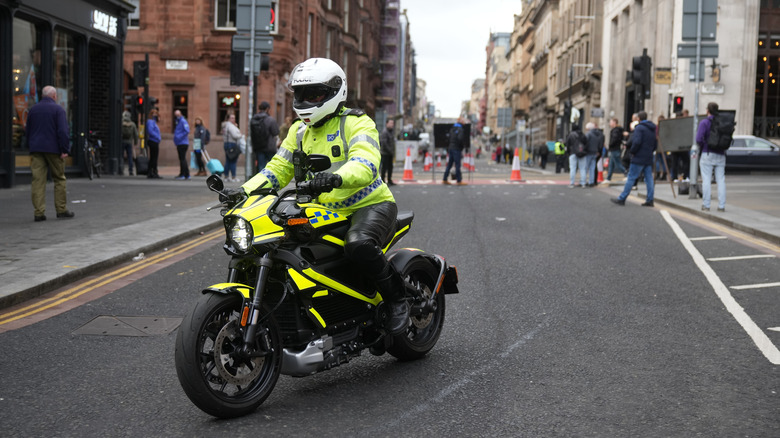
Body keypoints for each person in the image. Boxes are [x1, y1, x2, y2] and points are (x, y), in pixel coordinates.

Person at [221, 58, 411, 334]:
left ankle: (397, 300)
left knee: (357, 244)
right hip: (323, 209)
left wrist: (336, 177)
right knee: (283, 244)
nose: (306, 99)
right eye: (301, 94)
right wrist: (244, 191)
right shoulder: (299, 131)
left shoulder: (357, 123)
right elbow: (278, 169)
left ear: (336, 92)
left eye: (315, 94)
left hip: (369, 205)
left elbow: (366, 163)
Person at [26, 85, 74, 221]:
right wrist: (65, 149)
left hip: (36, 149)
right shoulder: (58, 110)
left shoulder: (33, 110)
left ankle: (39, 212)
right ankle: (61, 209)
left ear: (42, 96)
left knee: (37, 181)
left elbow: (28, 130)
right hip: (54, 150)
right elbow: (63, 132)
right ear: (54, 96)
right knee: (59, 178)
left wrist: (31, 145)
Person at [611, 111, 657, 207]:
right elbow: (655, 143)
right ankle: (650, 199)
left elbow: (636, 142)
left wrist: (632, 151)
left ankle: (622, 198)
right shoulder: (653, 128)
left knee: (631, 177)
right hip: (648, 156)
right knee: (649, 179)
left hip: (639, 157)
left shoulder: (639, 128)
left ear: (638, 119)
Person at [696, 102, 726, 212]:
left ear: (707, 110)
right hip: (721, 154)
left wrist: (704, 145)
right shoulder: (722, 122)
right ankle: (721, 206)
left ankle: (706, 205)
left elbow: (699, 139)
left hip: (707, 153)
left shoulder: (704, 122)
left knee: (706, 180)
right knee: (721, 180)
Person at [250, 101, 280, 174]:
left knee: (261, 166)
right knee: (273, 166)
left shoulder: (254, 119)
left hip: (259, 147)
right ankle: (271, 181)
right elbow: (276, 132)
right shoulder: (270, 119)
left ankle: (262, 183)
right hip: (269, 147)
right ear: (267, 109)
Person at [443, 118, 467, 185]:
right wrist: (462, 147)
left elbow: (449, 138)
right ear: (461, 122)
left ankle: (444, 179)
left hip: (451, 147)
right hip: (456, 148)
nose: (464, 123)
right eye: (464, 121)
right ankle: (459, 180)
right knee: (457, 165)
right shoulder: (460, 129)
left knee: (449, 165)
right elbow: (460, 139)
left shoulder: (452, 129)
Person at [222, 113, 243, 182]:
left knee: (228, 161)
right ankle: (233, 177)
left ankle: (226, 176)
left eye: (234, 118)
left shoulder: (226, 125)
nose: (233, 119)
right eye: (232, 118)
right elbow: (235, 135)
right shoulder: (230, 126)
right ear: (228, 118)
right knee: (233, 161)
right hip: (231, 144)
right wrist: (240, 135)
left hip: (227, 144)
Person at [605, 117, 626, 182]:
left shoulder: (615, 130)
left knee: (618, 164)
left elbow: (615, 139)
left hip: (614, 149)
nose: (609, 123)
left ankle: (627, 174)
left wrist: (610, 145)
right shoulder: (617, 130)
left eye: (610, 122)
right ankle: (608, 178)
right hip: (614, 149)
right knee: (611, 164)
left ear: (614, 122)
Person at [584, 122, 603, 187]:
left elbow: (585, 143)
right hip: (595, 152)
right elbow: (599, 143)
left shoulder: (588, 134)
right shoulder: (598, 134)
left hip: (588, 152)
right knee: (592, 168)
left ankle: (583, 181)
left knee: (585, 168)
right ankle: (591, 182)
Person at [173, 109, 190, 180]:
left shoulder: (183, 121)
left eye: (178, 115)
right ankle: (186, 174)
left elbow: (187, 131)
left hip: (182, 143)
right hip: (180, 143)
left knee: (182, 159)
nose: (177, 116)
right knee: (182, 159)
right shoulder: (178, 121)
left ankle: (183, 174)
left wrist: (179, 137)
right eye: (176, 115)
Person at [120, 110, 138, 176]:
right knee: (130, 156)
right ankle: (131, 170)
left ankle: (121, 169)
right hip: (129, 142)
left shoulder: (121, 123)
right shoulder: (132, 124)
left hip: (122, 141)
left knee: (121, 156)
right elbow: (136, 134)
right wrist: (136, 142)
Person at [145, 108, 162, 179]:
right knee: (153, 157)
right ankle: (153, 172)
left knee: (153, 157)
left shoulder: (154, 122)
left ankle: (152, 172)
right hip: (153, 141)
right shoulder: (150, 122)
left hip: (155, 141)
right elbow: (150, 131)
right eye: (153, 113)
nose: (155, 115)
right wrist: (158, 138)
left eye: (156, 113)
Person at [379, 118, 396, 185]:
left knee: (390, 167)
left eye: (393, 123)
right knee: (384, 167)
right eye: (390, 123)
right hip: (385, 153)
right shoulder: (385, 132)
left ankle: (389, 180)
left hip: (390, 153)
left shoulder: (391, 131)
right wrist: (390, 151)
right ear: (387, 124)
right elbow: (384, 143)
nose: (392, 125)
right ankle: (383, 180)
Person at [655, 115, 667, 181]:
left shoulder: (657, 127)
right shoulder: (665, 127)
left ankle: (658, 173)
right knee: (663, 160)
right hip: (664, 145)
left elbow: (656, 135)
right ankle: (664, 173)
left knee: (658, 160)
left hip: (659, 145)